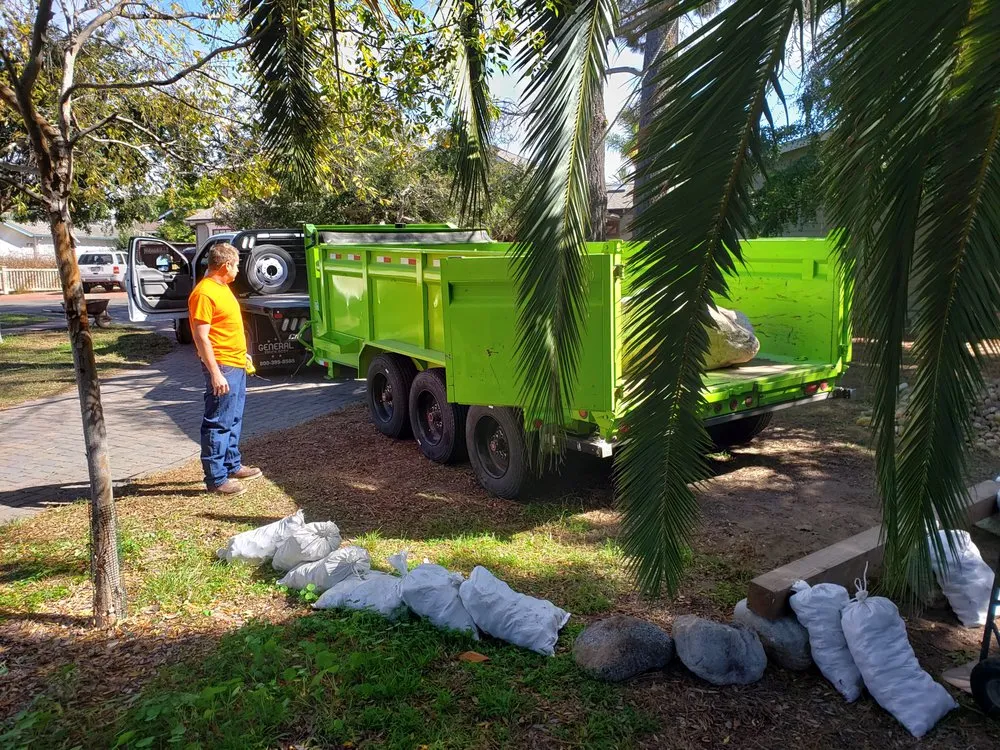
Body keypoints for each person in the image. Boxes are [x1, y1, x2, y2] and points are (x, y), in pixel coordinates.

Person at [188, 243, 262, 495]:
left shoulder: (222, 288)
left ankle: (232, 464)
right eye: (237, 265)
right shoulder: (204, 293)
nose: (238, 270)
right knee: (218, 421)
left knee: (233, 417)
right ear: (226, 265)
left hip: (235, 362)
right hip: (222, 366)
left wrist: (242, 354)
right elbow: (201, 337)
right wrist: (216, 373)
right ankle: (216, 479)